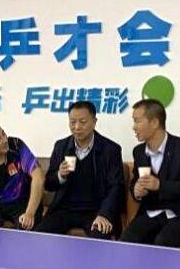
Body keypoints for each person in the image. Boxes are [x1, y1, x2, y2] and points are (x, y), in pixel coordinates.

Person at [120, 98, 180, 248]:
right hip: (152, 213)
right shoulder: (139, 152)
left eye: (137, 121)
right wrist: (136, 191)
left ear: (154, 123)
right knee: (127, 240)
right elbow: (136, 181)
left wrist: (160, 185)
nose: (134, 127)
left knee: (163, 243)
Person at [34, 101, 125, 239]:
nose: (77, 127)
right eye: (72, 122)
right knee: (39, 236)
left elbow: (116, 187)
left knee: (100, 237)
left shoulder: (110, 149)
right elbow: (49, 184)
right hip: (64, 209)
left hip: (96, 210)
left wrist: (104, 214)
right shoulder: (61, 146)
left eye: (82, 122)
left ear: (94, 122)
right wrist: (60, 175)